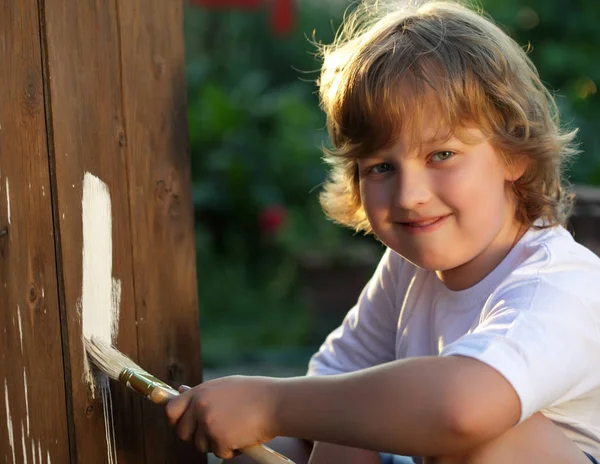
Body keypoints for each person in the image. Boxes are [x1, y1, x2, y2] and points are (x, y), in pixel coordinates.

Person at [165, 0, 600, 462]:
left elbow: (461, 409)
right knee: (340, 416)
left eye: (442, 155)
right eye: (381, 167)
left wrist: (271, 403)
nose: (409, 195)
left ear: (516, 155)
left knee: (481, 428)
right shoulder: (406, 272)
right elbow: (316, 415)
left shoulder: (562, 286)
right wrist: (234, 419)